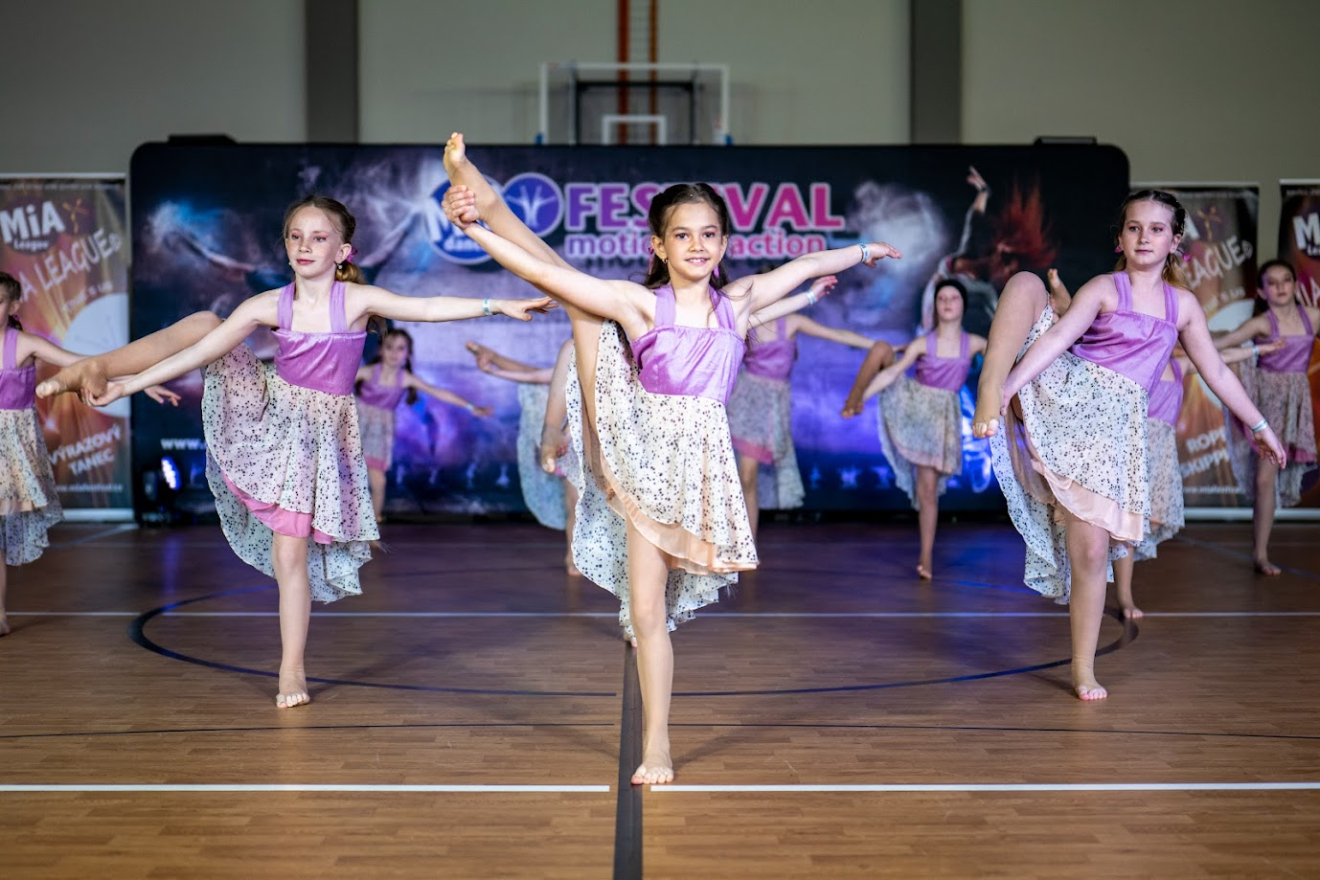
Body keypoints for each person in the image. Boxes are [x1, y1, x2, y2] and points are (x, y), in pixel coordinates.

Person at [441, 132, 901, 784]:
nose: (697, 245)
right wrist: (477, 235)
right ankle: (656, 742)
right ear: (659, 246)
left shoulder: (737, 303)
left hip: (701, 467)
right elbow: (545, 276)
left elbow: (801, 267)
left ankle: (483, 196)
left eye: (708, 234)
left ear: (724, 244)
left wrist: (863, 251)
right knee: (647, 612)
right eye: (682, 235)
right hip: (644, 458)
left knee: (656, 611)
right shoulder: (640, 304)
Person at [82, 196, 551, 708]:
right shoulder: (268, 304)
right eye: (295, 236)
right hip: (271, 416)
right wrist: (128, 386)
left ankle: (292, 668)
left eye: (319, 237)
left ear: (342, 251)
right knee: (205, 327)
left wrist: (497, 305)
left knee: (292, 553)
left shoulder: (355, 301)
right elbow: (201, 354)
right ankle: (291, 669)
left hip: (318, 438)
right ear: (286, 246)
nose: (305, 245)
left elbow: (427, 307)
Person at [971, 190, 1285, 700]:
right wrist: (1008, 388)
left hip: (1112, 430)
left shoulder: (1182, 306)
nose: (1144, 237)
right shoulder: (1104, 288)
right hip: (1068, 391)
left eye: (1156, 229)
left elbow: (1217, 372)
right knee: (1026, 282)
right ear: (1120, 239)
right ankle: (990, 384)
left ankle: (1083, 668)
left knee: (1092, 550)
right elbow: (1057, 340)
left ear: (1174, 242)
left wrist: (1260, 426)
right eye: (1134, 228)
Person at [1048, 270, 1279, 617]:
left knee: (1143, 524)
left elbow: (1221, 361)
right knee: (1118, 524)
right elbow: (1077, 325)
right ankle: (1119, 591)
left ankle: (1115, 575)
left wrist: (1259, 349)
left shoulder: (1180, 364)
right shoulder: (1132, 359)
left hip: (1161, 449)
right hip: (1130, 442)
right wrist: (1058, 288)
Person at [0, 271, 177, 635]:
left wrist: (139, 382)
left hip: (10, 449)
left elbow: (84, 365)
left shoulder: (24, 344)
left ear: (13, 306)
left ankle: (0, 614)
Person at [844, 278, 987, 579]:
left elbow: (1003, 359)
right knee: (926, 489)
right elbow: (893, 372)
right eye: (942, 298)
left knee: (929, 492)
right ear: (934, 306)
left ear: (963, 305)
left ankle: (926, 556)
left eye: (953, 298)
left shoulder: (974, 343)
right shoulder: (923, 343)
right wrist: (863, 398)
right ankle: (852, 400)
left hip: (942, 418)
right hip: (915, 408)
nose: (947, 303)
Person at [727, 274, 881, 538]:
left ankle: (745, 545)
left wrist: (877, 346)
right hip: (747, 402)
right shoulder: (747, 324)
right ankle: (743, 544)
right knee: (746, 476)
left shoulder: (792, 322)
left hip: (775, 405)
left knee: (751, 477)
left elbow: (836, 334)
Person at [1210, 259, 1319, 575]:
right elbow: (1218, 345)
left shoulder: (1313, 317)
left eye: (1286, 280)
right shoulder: (1262, 323)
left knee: (1269, 477)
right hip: (1266, 401)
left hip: (1295, 402)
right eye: (1272, 282)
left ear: (1295, 285)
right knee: (1263, 479)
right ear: (1261, 291)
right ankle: (1260, 553)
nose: (1281, 287)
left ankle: (1261, 551)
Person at [465, 338, 581, 573]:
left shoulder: (615, 356)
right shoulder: (576, 357)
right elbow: (536, 376)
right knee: (575, 504)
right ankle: (573, 556)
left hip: (610, 442)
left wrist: (494, 367)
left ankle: (493, 354)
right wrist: (493, 371)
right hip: (578, 445)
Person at [355, 328, 491, 522]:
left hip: (379, 431)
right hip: (354, 424)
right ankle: (333, 524)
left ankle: (372, 523)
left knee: (379, 480)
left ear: (408, 354)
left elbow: (438, 392)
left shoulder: (405, 378)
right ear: (380, 350)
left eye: (400, 348)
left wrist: (471, 406)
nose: (394, 353)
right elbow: (336, 383)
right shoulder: (368, 372)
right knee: (347, 475)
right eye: (389, 347)